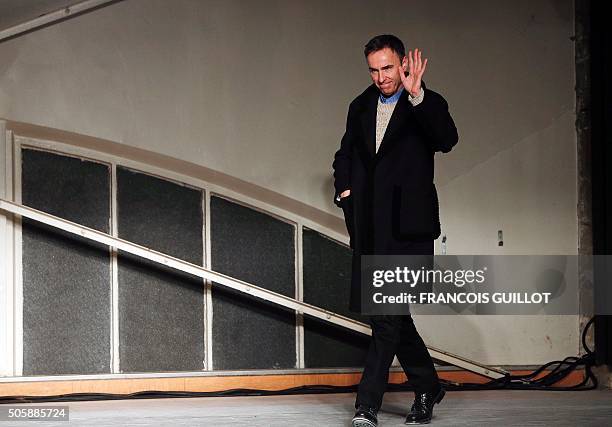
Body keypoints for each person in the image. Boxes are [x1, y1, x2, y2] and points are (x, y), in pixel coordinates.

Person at [332, 34, 458, 426]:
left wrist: (418, 94)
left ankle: (366, 406)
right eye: (374, 69)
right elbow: (345, 154)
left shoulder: (424, 102)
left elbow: (447, 139)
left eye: (388, 68)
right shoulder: (360, 105)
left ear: (403, 64)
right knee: (392, 316)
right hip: (371, 226)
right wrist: (345, 189)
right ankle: (428, 385)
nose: (381, 77)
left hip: (406, 228)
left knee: (386, 319)